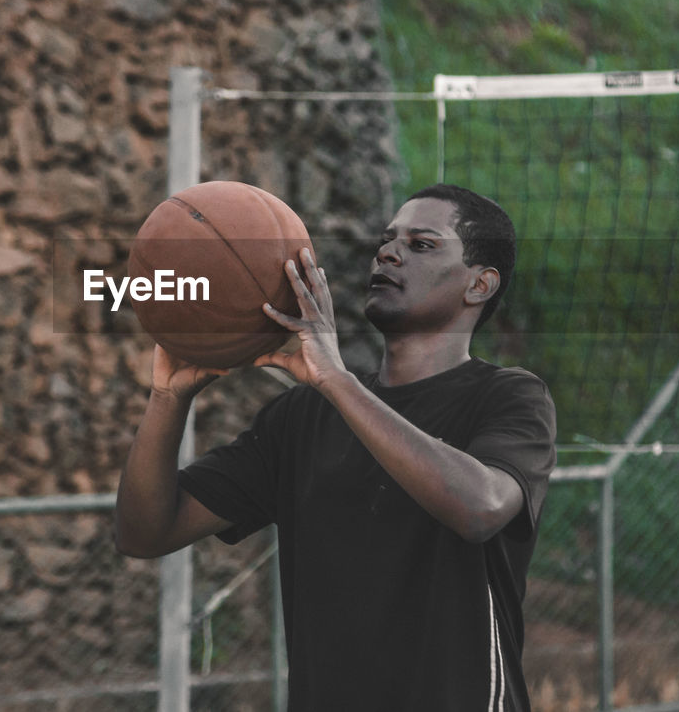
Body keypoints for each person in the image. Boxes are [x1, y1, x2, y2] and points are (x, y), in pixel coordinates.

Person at [114, 184, 557, 711]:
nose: (388, 252)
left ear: (480, 285)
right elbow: (145, 531)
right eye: (388, 240)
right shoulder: (301, 419)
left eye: (422, 244)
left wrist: (335, 379)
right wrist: (167, 399)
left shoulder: (508, 396)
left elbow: (480, 506)